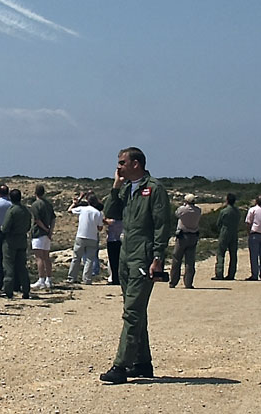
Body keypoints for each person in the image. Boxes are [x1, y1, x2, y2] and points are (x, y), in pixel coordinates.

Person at [99, 147, 173, 384]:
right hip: (126, 255)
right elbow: (110, 213)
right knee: (136, 311)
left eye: (122, 163)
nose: (118, 166)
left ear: (136, 164)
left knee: (132, 312)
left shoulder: (154, 189)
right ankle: (142, 363)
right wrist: (116, 186)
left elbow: (162, 225)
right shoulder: (128, 190)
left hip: (143, 256)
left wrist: (158, 257)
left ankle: (121, 366)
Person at [0, 188, 32, 299]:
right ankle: (26, 290)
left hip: (11, 241)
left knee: (8, 266)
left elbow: (5, 227)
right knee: (22, 266)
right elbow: (28, 226)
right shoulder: (26, 210)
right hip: (22, 240)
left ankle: (8, 290)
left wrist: (3, 228)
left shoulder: (12, 210)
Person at [67, 192, 105, 284]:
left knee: (76, 257)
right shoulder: (98, 213)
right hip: (92, 237)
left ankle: (72, 277)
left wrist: (75, 203)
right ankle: (87, 279)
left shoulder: (82, 209)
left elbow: (69, 210)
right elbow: (100, 228)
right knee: (89, 259)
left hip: (81, 235)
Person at [168, 194, 202, 289]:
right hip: (193, 236)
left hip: (182, 236)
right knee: (190, 261)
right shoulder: (198, 210)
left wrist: (183, 205)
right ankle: (188, 283)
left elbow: (176, 214)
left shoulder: (182, 209)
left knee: (176, 259)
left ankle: (173, 282)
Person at [29, 184, 56, 290]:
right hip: (47, 234)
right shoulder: (48, 204)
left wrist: (45, 229)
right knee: (46, 257)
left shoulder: (36, 205)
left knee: (39, 257)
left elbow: (37, 220)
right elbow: (53, 218)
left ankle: (41, 280)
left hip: (38, 233)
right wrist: (50, 231)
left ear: (35, 192)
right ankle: (49, 279)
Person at [212, 193, 241, 280]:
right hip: (234, 233)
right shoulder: (237, 212)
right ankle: (231, 274)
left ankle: (219, 273)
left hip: (225, 232)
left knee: (221, 253)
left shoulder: (224, 211)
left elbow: (218, 223)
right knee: (233, 254)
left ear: (227, 200)